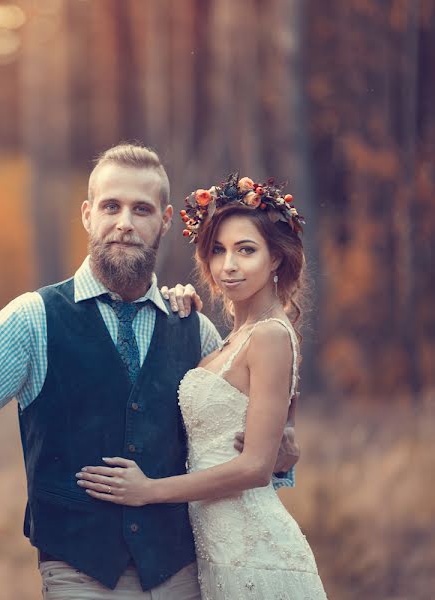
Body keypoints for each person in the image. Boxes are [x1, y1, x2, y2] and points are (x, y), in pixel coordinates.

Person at [0, 145, 299, 598]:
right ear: (87, 214)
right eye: (111, 206)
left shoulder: (195, 330)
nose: (125, 223)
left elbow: (240, 447)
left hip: (182, 574)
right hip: (80, 577)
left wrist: (282, 458)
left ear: (165, 220)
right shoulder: (33, 318)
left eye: (142, 209)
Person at [76, 174, 326, 598]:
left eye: (246, 250)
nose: (228, 265)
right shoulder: (230, 337)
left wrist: (149, 492)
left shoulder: (269, 336)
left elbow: (255, 468)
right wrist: (180, 312)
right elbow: (284, 434)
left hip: (256, 553)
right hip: (215, 555)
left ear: (276, 260)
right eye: (218, 250)